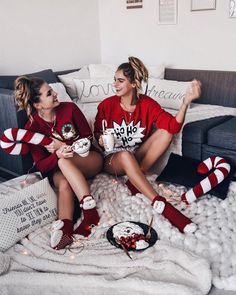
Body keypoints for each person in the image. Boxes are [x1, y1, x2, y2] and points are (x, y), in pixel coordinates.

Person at [94, 56, 202, 233]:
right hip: (113, 160)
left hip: (136, 156)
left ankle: (135, 181)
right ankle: (162, 204)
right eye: (115, 80)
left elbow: (173, 127)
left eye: (120, 81)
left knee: (165, 132)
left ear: (134, 83)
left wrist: (184, 103)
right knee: (125, 155)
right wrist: (99, 138)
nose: (115, 84)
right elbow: (97, 130)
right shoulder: (107, 105)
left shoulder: (148, 104)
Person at [14, 76, 103, 250]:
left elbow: (87, 137)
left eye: (52, 90)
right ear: (38, 104)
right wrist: (57, 155)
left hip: (88, 159)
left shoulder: (69, 109)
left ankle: (90, 213)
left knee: (62, 160)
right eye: (49, 93)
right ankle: (66, 229)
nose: (55, 94)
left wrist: (63, 147)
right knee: (63, 182)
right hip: (61, 170)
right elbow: (41, 166)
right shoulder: (32, 128)